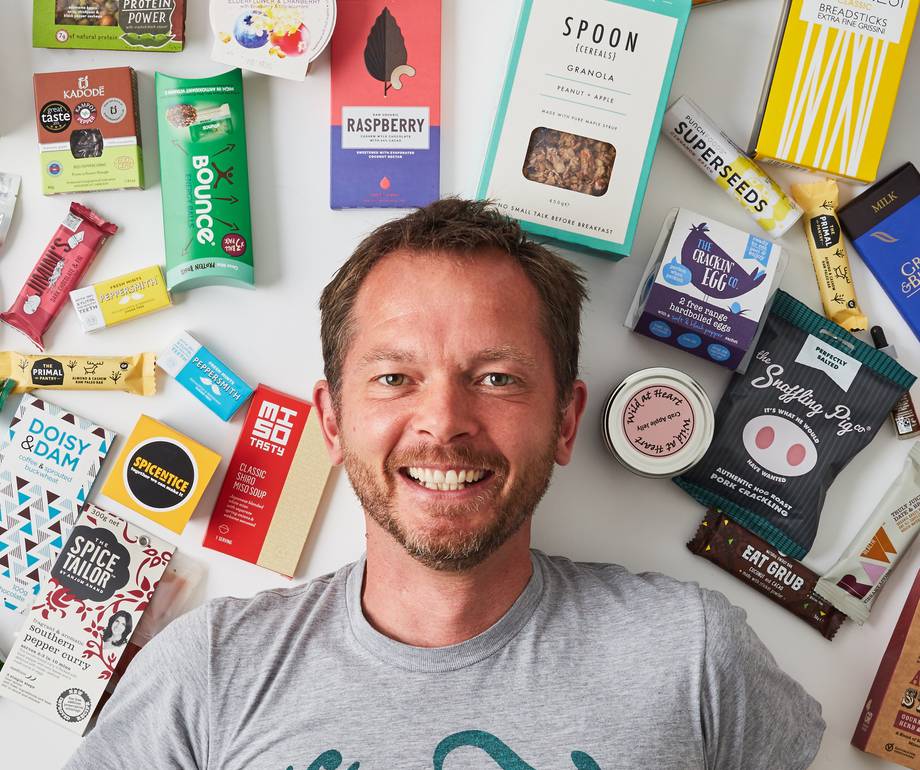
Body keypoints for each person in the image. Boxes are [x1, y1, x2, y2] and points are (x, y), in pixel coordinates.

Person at [66, 199, 824, 770]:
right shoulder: (205, 671)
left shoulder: (692, 653)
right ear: (330, 424)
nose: (444, 422)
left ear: (565, 421)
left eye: (496, 377)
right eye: (395, 378)